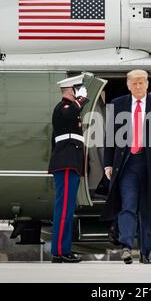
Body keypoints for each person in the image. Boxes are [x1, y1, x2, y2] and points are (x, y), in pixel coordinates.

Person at [101, 70, 151, 264]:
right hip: (127, 163)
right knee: (127, 204)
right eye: (134, 83)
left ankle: (146, 251)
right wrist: (108, 163)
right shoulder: (118, 104)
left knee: (148, 207)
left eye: (141, 83)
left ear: (147, 84)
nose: (138, 87)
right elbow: (110, 136)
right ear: (128, 85)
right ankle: (126, 246)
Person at [48, 74, 89, 263]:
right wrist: (79, 101)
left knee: (67, 208)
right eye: (78, 89)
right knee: (64, 209)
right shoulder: (65, 107)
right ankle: (60, 251)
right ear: (71, 90)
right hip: (65, 164)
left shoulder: (71, 109)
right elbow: (69, 113)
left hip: (69, 164)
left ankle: (61, 250)